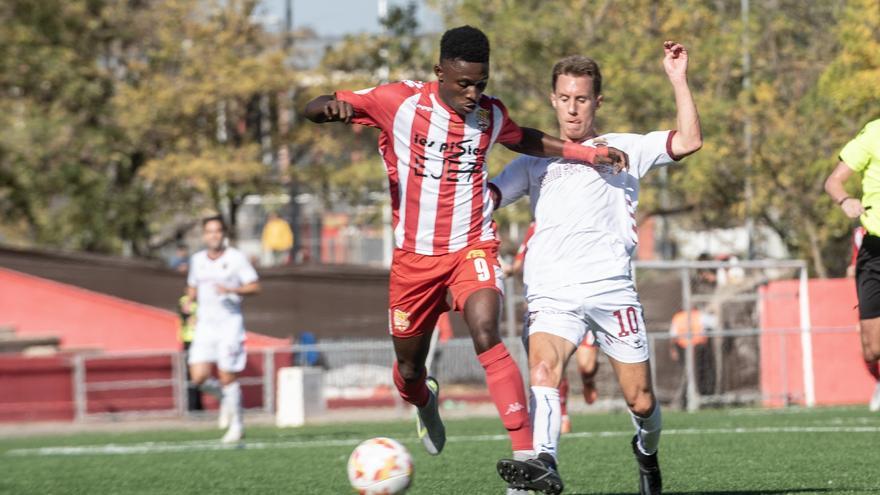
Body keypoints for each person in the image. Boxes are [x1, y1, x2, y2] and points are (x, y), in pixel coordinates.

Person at [302, 25, 628, 492]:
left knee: (485, 330)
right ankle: (423, 401)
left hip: (471, 244)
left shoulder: (489, 115)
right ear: (440, 73)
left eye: (482, 83)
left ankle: (527, 459)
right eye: (464, 84)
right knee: (410, 371)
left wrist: (586, 153)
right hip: (414, 260)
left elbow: (526, 139)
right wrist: (326, 110)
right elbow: (316, 104)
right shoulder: (399, 102)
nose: (474, 93)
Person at [493, 41, 702, 495]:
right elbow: (488, 197)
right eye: (564, 98)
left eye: (582, 99)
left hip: (613, 292)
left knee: (641, 401)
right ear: (553, 99)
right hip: (552, 292)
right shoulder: (535, 160)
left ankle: (646, 452)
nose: (572, 109)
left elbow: (689, 141)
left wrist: (678, 79)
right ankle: (543, 461)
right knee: (544, 373)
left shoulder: (625, 147)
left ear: (597, 101)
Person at [511, 221, 601, 435]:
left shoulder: (584, 220)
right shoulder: (536, 226)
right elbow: (518, 265)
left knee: (587, 365)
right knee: (554, 361)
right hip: (553, 305)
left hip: (584, 302)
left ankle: (588, 381)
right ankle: (562, 413)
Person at [186, 215, 261, 443]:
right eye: (209, 231)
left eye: (217, 231)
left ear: (223, 234)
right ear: (204, 235)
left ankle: (237, 426)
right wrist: (190, 309)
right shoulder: (197, 260)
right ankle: (226, 401)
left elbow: (255, 286)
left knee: (227, 374)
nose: (213, 235)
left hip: (229, 324)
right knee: (198, 377)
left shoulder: (236, 258)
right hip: (205, 326)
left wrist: (232, 290)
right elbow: (191, 287)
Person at [824, 118, 880, 412]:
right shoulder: (874, 133)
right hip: (874, 250)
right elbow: (832, 181)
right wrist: (845, 200)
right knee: (872, 349)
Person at [669, 304, 717, 408]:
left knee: (690, 374)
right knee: (693, 374)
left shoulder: (679, 316)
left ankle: (688, 400)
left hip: (689, 349)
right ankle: (690, 400)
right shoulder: (699, 315)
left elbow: (673, 335)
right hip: (694, 349)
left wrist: (673, 349)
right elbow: (715, 322)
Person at [177, 293, 203, 411]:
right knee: (190, 376)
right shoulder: (185, 300)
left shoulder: (204, 299)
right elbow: (187, 317)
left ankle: (198, 406)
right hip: (189, 342)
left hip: (202, 342)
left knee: (201, 375)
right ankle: (191, 408)